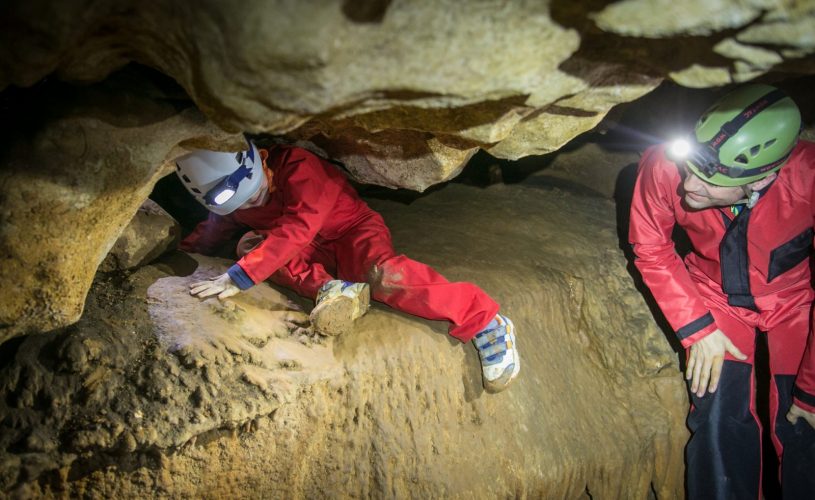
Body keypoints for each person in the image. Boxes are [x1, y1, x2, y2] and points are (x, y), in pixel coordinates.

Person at [175, 141, 520, 393]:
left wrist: (239, 275)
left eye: (256, 191)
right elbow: (212, 231)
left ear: (262, 159)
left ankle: (485, 320)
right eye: (244, 203)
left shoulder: (298, 165)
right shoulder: (232, 203)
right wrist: (179, 251)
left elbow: (299, 227)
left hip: (351, 231)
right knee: (249, 244)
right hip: (308, 249)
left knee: (384, 276)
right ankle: (332, 290)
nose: (255, 202)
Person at [629, 83, 815, 498]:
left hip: (791, 299)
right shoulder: (663, 164)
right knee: (717, 420)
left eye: (712, 181)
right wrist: (697, 328)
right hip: (714, 294)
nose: (690, 186)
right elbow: (652, 247)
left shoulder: (809, 179)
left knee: (803, 422)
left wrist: (812, 387)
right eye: (690, 167)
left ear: (764, 178)